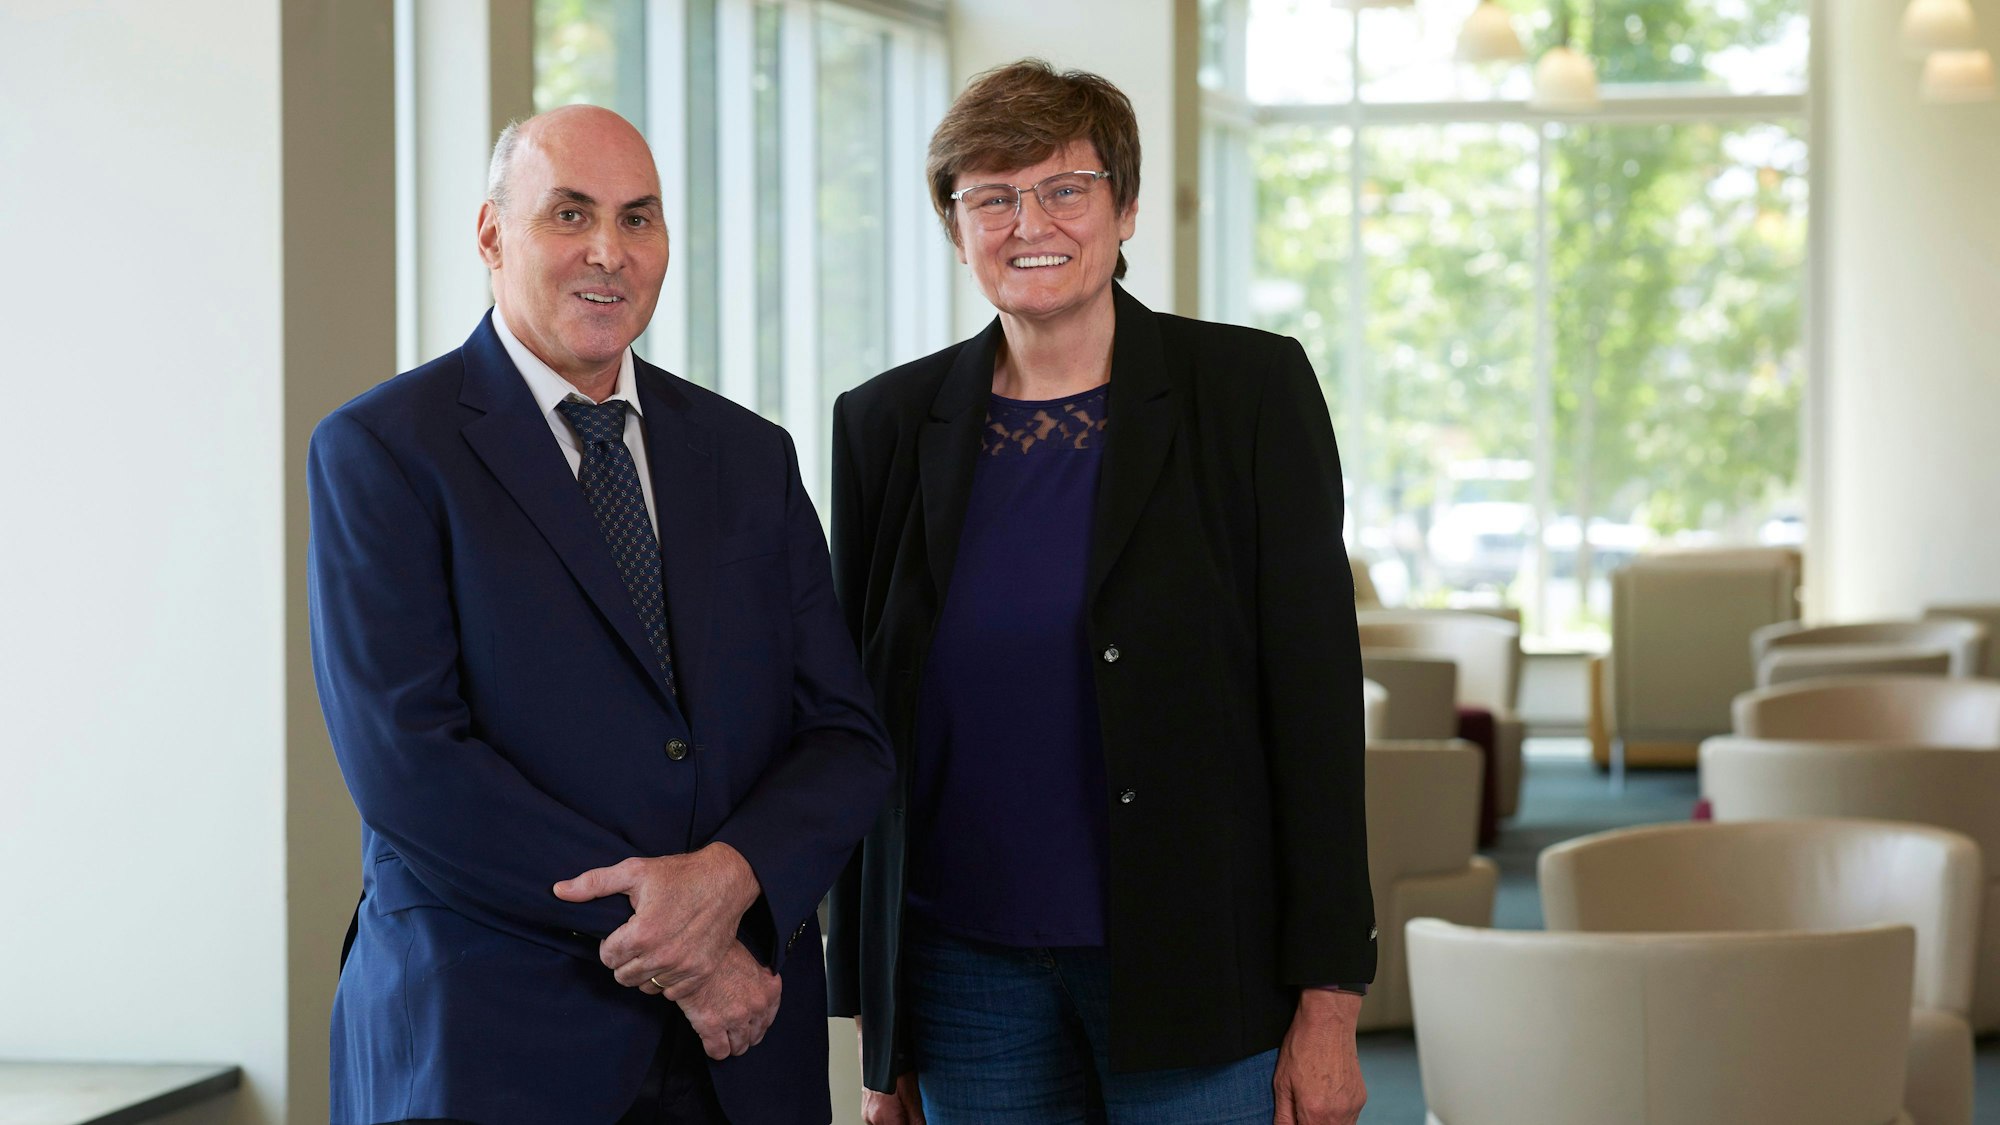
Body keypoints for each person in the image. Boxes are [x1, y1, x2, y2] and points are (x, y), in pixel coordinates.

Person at [309, 104, 894, 1125]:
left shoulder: (750, 457)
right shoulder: (385, 450)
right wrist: (682, 950)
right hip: (494, 1039)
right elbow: (413, 763)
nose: (607, 253)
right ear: (492, 234)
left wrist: (729, 880)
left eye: (637, 219)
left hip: (741, 1061)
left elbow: (843, 738)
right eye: (569, 214)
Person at [824, 60, 1375, 1125]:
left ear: (1123, 210)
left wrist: (1329, 1001)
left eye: (1063, 189)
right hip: (962, 972)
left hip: (1194, 962)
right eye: (989, 196)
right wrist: (878, 1035)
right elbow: (860, 728)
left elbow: (1313, 711)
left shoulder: (1247, 394)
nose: (1027, 220)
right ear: (955, 225)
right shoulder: (883, 426)